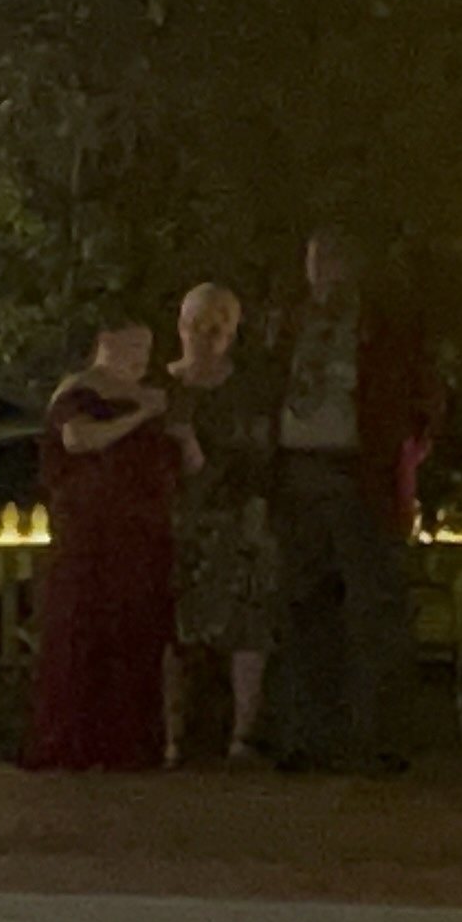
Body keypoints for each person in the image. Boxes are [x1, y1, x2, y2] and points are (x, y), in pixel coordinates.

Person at [258, 227, 435, 774]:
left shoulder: (381, 327)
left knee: (371, 611)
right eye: (315, 260)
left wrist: (405, 449)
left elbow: (420, 395)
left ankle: (378, 739)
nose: (323, 271)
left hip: (359, 475)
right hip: (299, 474)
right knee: (303, 607)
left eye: (333, 259)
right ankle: (306, 736)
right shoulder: (289, 323)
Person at [23, 320, 177, 772]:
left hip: (137, 535)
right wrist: (140, 415)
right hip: (89, 535)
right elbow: (79, 438)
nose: (140, 358)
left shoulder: (149, 395)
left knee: (132, 634)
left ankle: (125, 742)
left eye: (146, 349)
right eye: (132, 346)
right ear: (106, 343)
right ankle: (72, 739)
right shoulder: (79, 393)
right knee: (82, 632)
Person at [165, 282, 275, 766]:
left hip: (235, 520)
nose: (204, 337)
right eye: (195, 325)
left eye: (216, 327)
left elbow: (258, 456)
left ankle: (242, 736)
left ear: (232, 332)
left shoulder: (247, 392)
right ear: (180, 326)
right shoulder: (162, 389)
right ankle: (172, 735)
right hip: (174, 521)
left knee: (245, 628)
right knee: (172, 631)